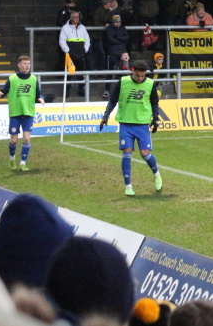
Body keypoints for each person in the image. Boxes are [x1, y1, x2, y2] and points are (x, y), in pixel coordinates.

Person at [99, 61, 163, 196]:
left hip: (142, 123)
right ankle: (128, 186)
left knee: (144, 153)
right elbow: (113, 100)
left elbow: (154, 102)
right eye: (137, 75)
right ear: (132, 71)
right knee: (127, 153)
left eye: (142, 76)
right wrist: (106, 115)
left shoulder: (150, 84)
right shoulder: (123, 82)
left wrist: (155, 118)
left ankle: (156, 174)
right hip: (126, 123)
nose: (139, 78)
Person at [0, 55, 45, 171]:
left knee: (26, 139)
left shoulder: (33, 79)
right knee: (13, 140)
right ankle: (12, 159)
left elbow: (38, 92)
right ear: (19, 65)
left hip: (28, 112)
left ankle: (23, 163)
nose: (27, 65)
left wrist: (41, 98)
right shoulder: (12, 78)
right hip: (15, 113)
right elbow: (4, 90)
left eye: (28, 63)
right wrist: (0, 93)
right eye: (24, 63)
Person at [59, 11, 90, 96]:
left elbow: (87, 39)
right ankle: (67, 91)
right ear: (71, 18)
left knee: (81, 73)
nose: (76, 19)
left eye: (78, 17)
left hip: (81, 53)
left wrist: (85, 49)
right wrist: (68, 51)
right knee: (68, 73)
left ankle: (81, 89)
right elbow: (62, 41)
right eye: (75, 17)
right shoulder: (65, 28)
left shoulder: (82, 27)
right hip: (70, 54)